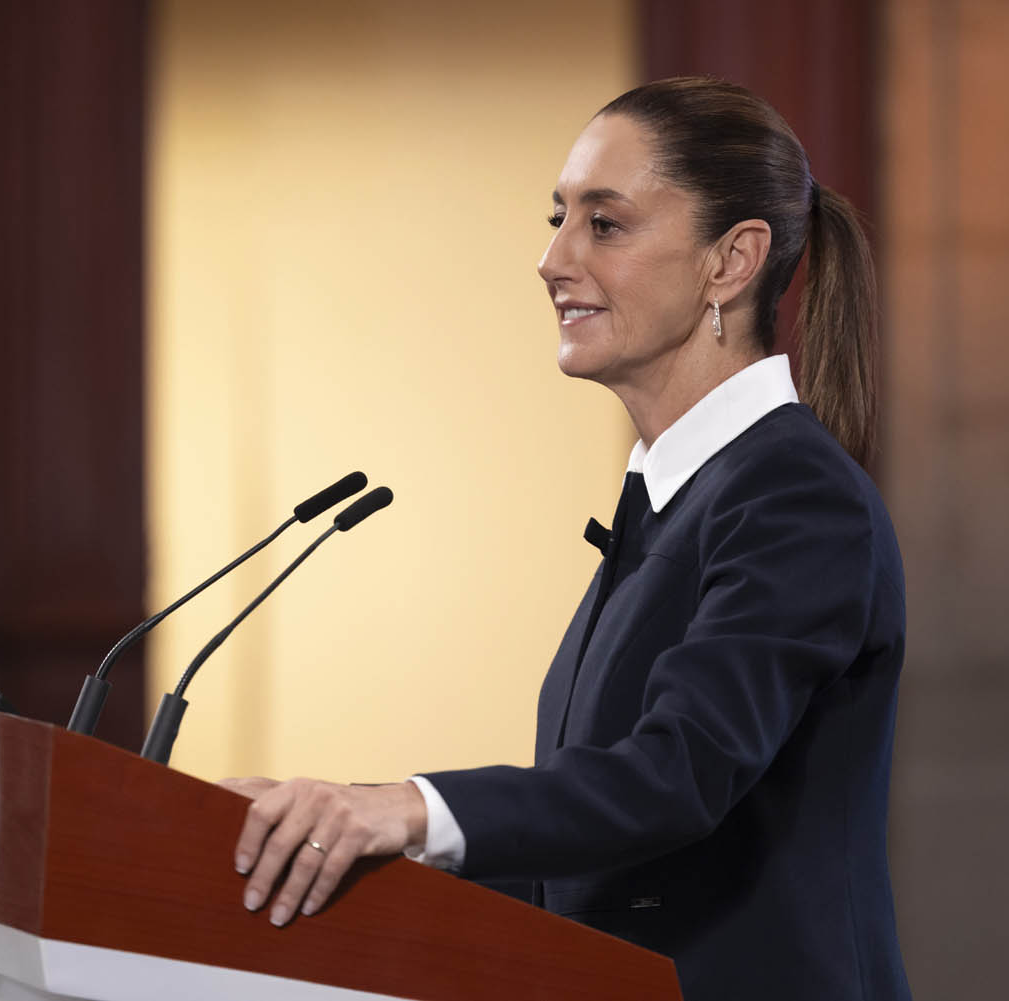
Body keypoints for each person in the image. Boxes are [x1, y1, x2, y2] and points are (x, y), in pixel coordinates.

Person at [220, 76, 911, 1001]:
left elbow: (675, 777)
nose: (552, 259)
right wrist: (329, 832)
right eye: (558, 218)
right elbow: (585, 876)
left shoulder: (797, 497)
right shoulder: (675, 500)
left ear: (731, 261)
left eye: (604, 223)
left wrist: (404, 808)